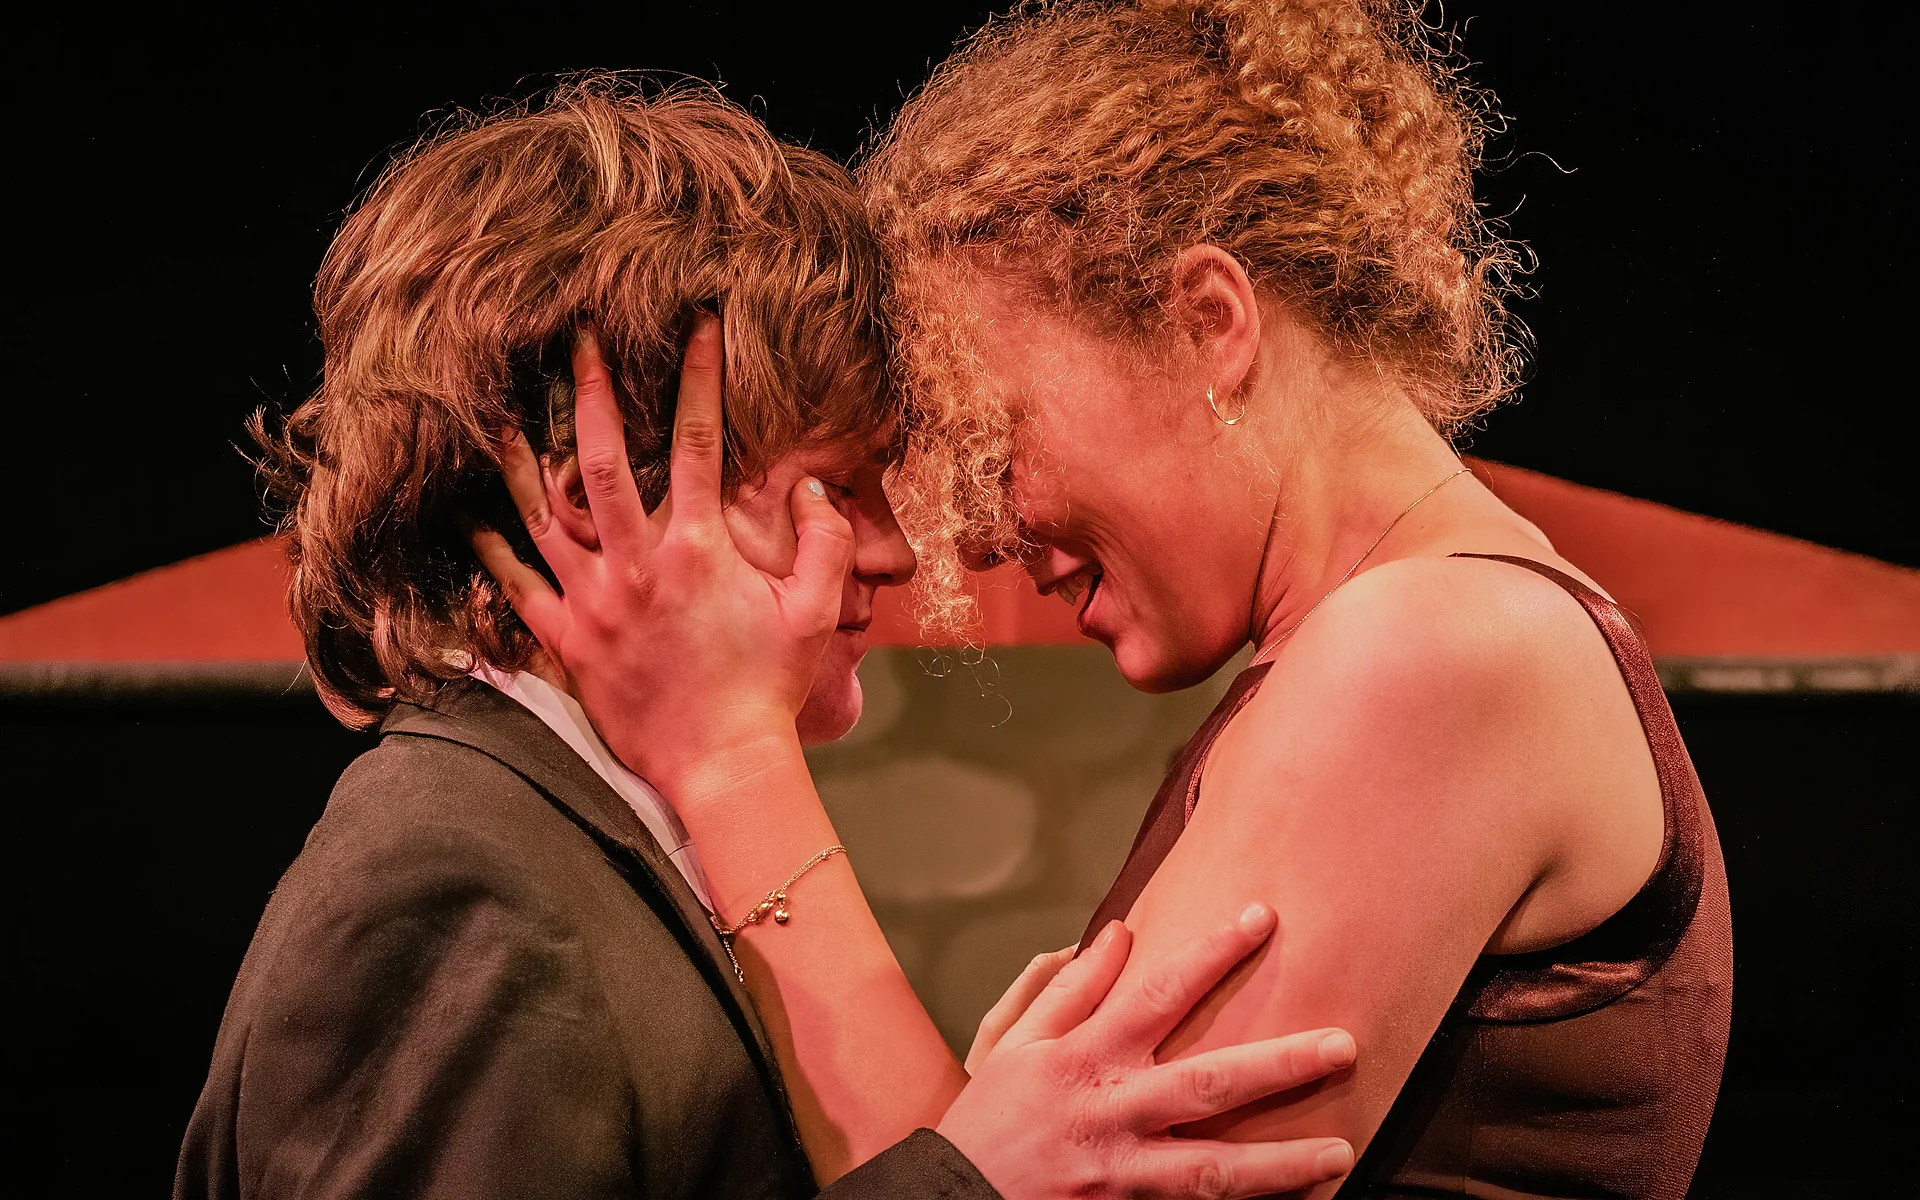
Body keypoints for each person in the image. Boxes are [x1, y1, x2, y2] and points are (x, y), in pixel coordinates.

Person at [481, 4, 1733, 1198]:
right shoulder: (1390, 648)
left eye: (996, 432)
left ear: (1208, 325)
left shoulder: (1425, 655)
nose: (977, 530)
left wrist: (729, 756)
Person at [175, 82, 1363, 1200]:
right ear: (598, 500)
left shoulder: (573, 843)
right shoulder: (450, 885)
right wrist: (967, 1178)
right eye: (834, 489)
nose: (893, 555)